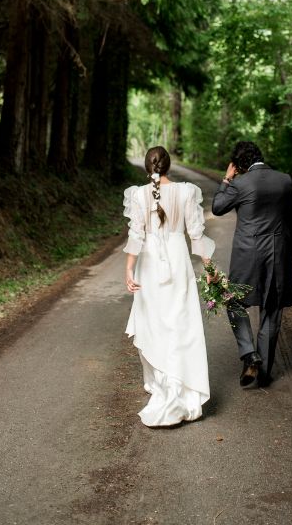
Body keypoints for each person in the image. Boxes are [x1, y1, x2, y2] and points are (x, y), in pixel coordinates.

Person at [123, 146, 215, 427]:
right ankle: (181, 391)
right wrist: (209, 268)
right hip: (177, 261)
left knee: (155, 323)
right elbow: (196, 234)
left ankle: (165, 388)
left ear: (147, 166)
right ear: (169, 165)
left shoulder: (138, 194)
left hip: (149, 265)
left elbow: (136, 235)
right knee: (180, 324)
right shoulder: (187, 192)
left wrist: (128, 269)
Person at [212, 141, 292, 388]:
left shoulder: (240, 183)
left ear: (239, 165)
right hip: (279, 253)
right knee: (272, 308)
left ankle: (249, 354)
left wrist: (226, 180)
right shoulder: (284, 180)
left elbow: (218, 207)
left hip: (248, 254)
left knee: (234, 300)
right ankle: (263, 372)